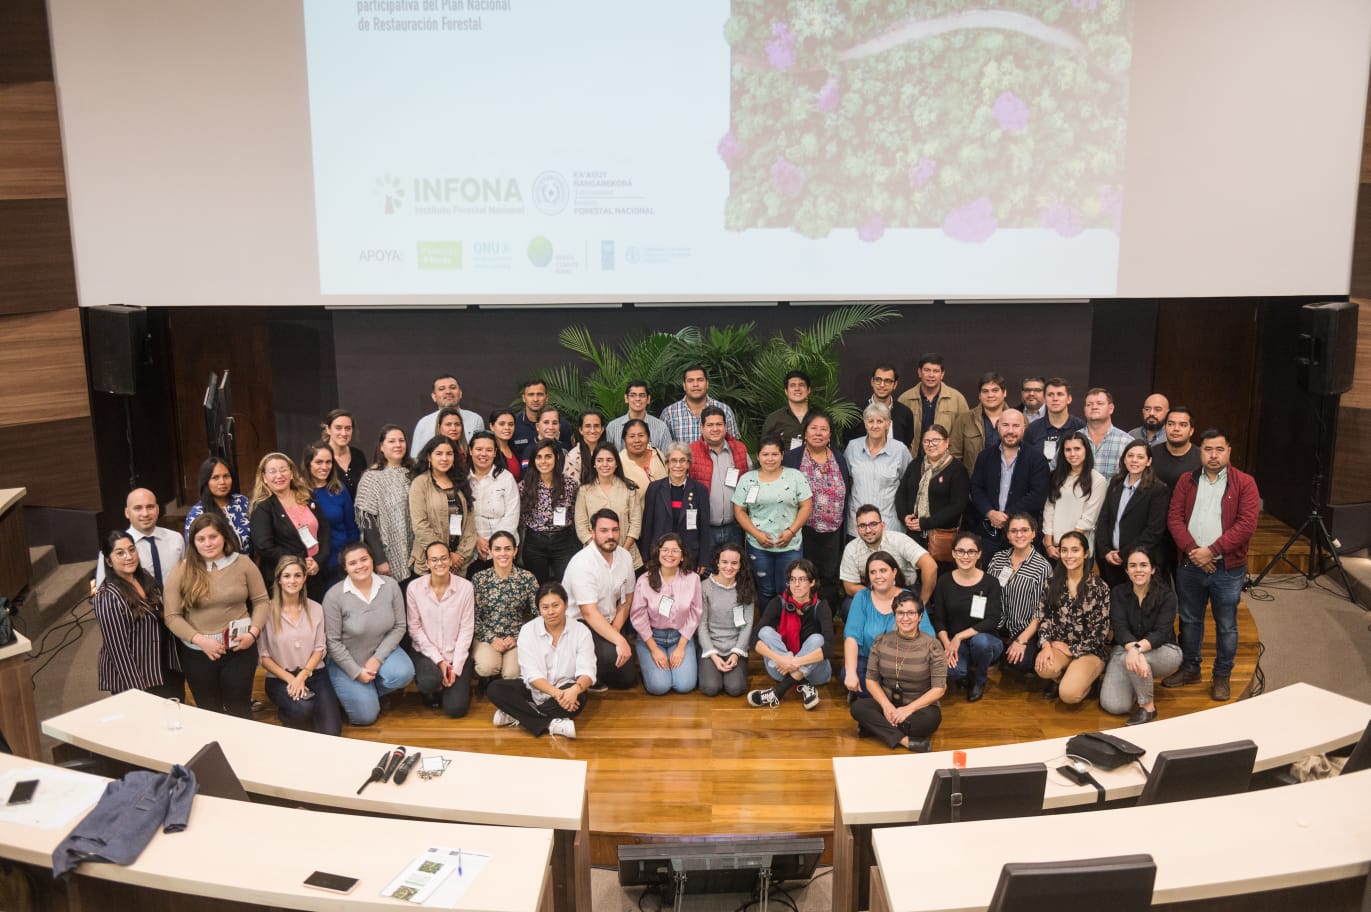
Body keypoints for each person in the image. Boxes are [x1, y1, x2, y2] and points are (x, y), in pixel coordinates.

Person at [1163, 429, 1260, 702]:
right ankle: (1191, 668)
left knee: (1226, 625)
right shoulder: (1187, 480)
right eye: (1208, 449)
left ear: (1229, 451)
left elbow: (1246, 525)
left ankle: (1221, 676)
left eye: (1219, 449)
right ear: (1200, 451)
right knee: (1190, 620)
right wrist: (1195, 552)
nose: (1213, 455)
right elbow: (1174, 519)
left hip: (1227, 569)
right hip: (1190, 565)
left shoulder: (1245, 483)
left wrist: (1212, 551)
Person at [164, 513, 269, 718]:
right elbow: (172, 616)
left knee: (239, 709)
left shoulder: (244, 563)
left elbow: (262, 601)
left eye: (213, 537)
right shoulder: (181, 570)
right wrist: (201, 641)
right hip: (198, 652)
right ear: (193, 542)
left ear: (224, 536)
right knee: (209, 713)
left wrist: (253, 633)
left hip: (240, 648)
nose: (208, 543)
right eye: (201, 539)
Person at [323, 542, 416, 726]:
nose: (360, 566)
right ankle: (357, 693)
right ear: (345, 568)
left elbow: (399, 626)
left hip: (380, 650)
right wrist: (356, 673)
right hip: (347, 659)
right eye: (353, 563)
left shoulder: (390, 585)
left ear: (372, 560)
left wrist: (377, 659)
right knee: (365, 717)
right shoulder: (334, 596)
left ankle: (368, 691)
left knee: (404, 673)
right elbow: (332, 642)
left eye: (364, 559)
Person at [486, 582, 593, 739]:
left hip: (567, 689)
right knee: (495, 689)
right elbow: (532, 675)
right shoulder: (528, 630)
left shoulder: (581, 631)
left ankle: (517, 715)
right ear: (539, 609)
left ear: (566, 604)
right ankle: (551, 723)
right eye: (545, 607)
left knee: (580, 698)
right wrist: (556, 694)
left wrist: (575, 690)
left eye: (555, 605)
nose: (551, 612)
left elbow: (588, 671)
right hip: (537, 690)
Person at [256, 555, 342, 736]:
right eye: (287, 576)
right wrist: (291, 679)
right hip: (280, 678)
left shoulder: (316, 608)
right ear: (279, 579)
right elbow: (263, 656)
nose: (292, 580)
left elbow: (320, 648)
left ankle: (309, 706)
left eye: (297, 575)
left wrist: (302, 676)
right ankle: (291, 712)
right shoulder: (266, 611)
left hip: (314, 674)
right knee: (302, 709)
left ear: (304, 578)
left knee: (332, 732)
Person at [849, 591, 946, 752]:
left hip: (918, 707)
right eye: (900, 613)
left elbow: (939, 689)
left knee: (932, 719)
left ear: (920, 616)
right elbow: (871, 680)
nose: (905, 618)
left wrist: (908, 709)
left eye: (911, 613)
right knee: (858, 707)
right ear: (894, 615)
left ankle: (876, 728)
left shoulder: (933, 646)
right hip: (888, 702)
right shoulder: (881, 641)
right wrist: (887, 707)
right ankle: (905, 740)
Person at [92, 531, 184, 699]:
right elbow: (118, 651)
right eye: (120, 553)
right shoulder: (107, 597)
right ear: (108, 561)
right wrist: (138, 692)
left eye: (132, 549)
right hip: (139, 677)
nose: (129, 556)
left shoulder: (145, 577)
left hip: (163, 664)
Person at [1101, 547, 1183, 725]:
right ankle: (1135, 679)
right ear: (1126, 570)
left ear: (1153, 569)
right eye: (1133, 565)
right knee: (1114, 706)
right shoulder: (1118, 593)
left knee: (1128, 658)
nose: (1138, 570)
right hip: (1126, 650)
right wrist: (1135, 651)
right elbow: (1121, 629)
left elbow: (1161, 633)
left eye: (1144, 565)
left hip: (1164, 651)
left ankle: (1148, 707)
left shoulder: (1167, 595)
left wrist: (1136, 650)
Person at [781, 410, 852, 607]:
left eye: (824, 429)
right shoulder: (792, 458)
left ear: (830, 435)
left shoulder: (839, 457)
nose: (818, 433)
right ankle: (803, 616)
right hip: (803, 530)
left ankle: (826, 619)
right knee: (802, 575)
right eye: (813, 428)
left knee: (829, 577)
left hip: (833, 531)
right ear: (805, 433)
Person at [733, 435, 814, 606]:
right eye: (765, 454)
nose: (770, 459)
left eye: (774, 454)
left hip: (790, 544)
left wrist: (791, 532)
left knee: (789, 589)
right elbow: (739, 510)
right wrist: (757, 534)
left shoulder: (795, 477)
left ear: (782, 455)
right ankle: (766, 628)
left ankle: (788, 629)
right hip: (759, 545)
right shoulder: (748, 479)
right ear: (758, 456)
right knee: (765, 590)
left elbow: (806, 505)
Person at [562, 508, 637, 689]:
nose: (610, 536)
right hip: (580, 625)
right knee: (612, 656)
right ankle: (580, 673)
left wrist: (616, 631)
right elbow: (589, 613)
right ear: (592, 533)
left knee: (628, 680)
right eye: (604, 531)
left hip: (609, 622)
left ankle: (593, 668)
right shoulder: (582, 563)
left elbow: (626, 599)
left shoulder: (625, 557)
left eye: (615, 530)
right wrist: (618, 640)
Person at [1034, 531, 1111, 704]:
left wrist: (1073, 650)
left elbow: (1100, 632)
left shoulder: (1099, 587)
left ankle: (1088, 680)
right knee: (1044, 667)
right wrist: (1046, 645)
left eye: (1075, 550)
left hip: (1089, 651)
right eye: (1064, 550)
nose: (1069, 556)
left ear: (1085, 553)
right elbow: (1044, 617)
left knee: (1068, 695)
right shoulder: (1052, 582)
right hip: (1060, 646)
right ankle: (1067, 675)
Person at [843, 551, 933, 699]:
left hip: (903, 662)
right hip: (869, 661)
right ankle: (889, 701)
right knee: (849, 673)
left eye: (883, 570)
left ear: (894, 572)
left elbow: (927, 636)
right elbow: (851, 637)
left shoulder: (909, 598)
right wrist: (851, 673)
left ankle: (874, 700)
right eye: (873, 572)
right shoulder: (862, 597)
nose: (878, 576)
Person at [747, 558, 834, 710]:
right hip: (780, 668)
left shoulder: (821, 606)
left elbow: (829, 648)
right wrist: (780, 659)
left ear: (812, 582)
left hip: (817, 673)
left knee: (817, 639)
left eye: (802, 579)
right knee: (765, 632)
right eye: (792, 579)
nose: (796, 584)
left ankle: (778, 691)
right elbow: (753, 638)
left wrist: (795, 663)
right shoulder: (778, 603)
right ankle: (805, 686)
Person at [929, 532, 1004, 702]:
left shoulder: (991, 582)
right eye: (961, 551)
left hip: (986, 639)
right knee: (953, 671)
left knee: (981, 643)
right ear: (954, 553)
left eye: (971, 552)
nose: (965, 556)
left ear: (978, 554)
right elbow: (938, 619)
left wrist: (959, 636)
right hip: (955, 642)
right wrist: (948, 644)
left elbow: (993, 619)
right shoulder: (944, 581)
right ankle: (963, 673)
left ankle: (979, 680)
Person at [405, 540, 476, 717]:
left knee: (456, 710)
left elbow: (467, 630)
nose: (440, 563)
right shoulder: (414, 588)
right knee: (430, 680)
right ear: (427, 563)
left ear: (451, 560)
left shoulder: (465, 587)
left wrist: (456, 667)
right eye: (434, 560)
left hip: (456, 653)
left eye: (444, 558)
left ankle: (451, 686)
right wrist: (439, 661)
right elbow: (414, 629)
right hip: (426, 653)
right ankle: (431, 688)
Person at [249, 452, 330, 601]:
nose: (279, 475)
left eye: (283, 469)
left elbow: (325, 530)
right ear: (264, 477)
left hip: (314, 574)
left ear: (291, 473)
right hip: (286, 580)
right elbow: (264, 546)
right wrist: (300, 561)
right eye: (272, 472)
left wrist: (318, 560)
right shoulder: (263, 508)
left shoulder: (306, 497)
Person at [968, 410, 1050, 557]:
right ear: (998, 426)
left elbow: (1038, 495)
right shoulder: (985, 456)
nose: (1010, 431)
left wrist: (1008, 516)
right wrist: (990, 512)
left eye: (1016, 426)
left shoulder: (1037, 459)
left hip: (1022, 535)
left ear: (1024, 428)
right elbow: (976, 488)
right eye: (1005, 425)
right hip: (989, 533)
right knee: (988, 575)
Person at [629, 534, 703, 695]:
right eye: (665, 550)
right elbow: (638, 616)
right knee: (659, 687)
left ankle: (675, 663)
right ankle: (652, 666)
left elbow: (695, 613)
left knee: (685, 686)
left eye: (675, 551)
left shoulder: (693, 579)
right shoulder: (644, 580)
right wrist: (654, 649)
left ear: (682, 556)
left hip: (680, 637)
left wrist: (682, 646)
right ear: (658, 552)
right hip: (652, 638)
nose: (670, 554)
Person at [1094, 438, 1170, 588]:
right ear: (1124, 459)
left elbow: (1154, 531)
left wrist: (1124, 554)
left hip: (1139, 563)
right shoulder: (1116, 482)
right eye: (1130, 456)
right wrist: (1106, 551)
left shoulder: (1158, 489)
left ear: (1148, 461)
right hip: (1110, 562)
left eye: (1140, 457)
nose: (1134, 460)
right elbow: (1103, 518)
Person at [985, 514, 1053, 674]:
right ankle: (1001, 652)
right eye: (1013, 531)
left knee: (1022, 663)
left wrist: (1022, 640)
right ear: (1008, 535)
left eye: (1024, 530)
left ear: (1034, 533)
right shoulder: (997, 559)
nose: (1019, 535)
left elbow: (1040, 611)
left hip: (1024, 629)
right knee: (979, 646)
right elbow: (986, 594)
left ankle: (1009, 652)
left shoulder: (1042, 567)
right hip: (996, 624)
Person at [839, 505, 937, 608]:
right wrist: (880, 597)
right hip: (871, 591)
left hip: (905, 588)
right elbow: (850, 587)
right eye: (862, 526)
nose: (868, 530)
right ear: (857, 528)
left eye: (873, 524)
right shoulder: (851, 549)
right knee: (849, 606)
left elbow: (930, 566)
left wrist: (922, 601)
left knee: (920, 613)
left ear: (882, 525)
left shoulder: (899, 540)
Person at [471, 531, 538, 682]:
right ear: (490, 551)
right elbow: (471, 616)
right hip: (486, 637)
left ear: (515, 551)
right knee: (487, 666)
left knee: (512, 673)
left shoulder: (527, 578)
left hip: (516, 637)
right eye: (497, 549)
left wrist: (517, 637)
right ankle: (489, 679)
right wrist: (491, 638)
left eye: (507, 549)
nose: (503, 553)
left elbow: (538, 614)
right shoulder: (479, 579)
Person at [408, 437, 478, 578]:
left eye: (449, 454)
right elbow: (420, 525)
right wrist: (445, 555)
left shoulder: (461, 481)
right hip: (430, 563)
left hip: (459, 564)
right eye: (439, 454)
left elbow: (470, 525)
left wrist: (459, 555)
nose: (444, 458)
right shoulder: (420, 483)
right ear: (429, 456)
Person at [895, 423, 969, 556]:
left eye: (936, 440)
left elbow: (958, 505)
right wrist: (904, 516)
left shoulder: (957, 469)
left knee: (938, 575)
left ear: (947, 442)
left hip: (940, 537)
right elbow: (901, 493)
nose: (931, 444)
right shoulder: (915, 464)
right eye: (926, 441)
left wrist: (926, 523)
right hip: (913, 535)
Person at [353, 424, 414, 582]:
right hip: (388, 554)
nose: (398, 445)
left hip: (416, 552)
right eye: (391, 441)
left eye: (401, 440)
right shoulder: (371, 477)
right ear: (381, 446)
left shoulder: (415, 473)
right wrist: (380, 559)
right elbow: (367, 523)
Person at [696, 542, 756, 698]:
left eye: (734, 563)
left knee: (735, 688)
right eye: (724, 562)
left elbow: (747, 624)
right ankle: (709, 666)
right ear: (717, 562)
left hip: (735, 646)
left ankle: (735, 666)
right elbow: (701, 625)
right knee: (711, 688)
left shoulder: (745, 586)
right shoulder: (704, 587)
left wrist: (736, 653)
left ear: (740, 565)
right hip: (711, 646)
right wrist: (713, 655)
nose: (729, 567)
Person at [642, 443, 711, 573]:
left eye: (682, 461)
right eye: (673, 461)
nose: (678, 465)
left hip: (689, 555)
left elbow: (704, 528)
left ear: (689, 464)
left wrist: (703, 559)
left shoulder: (700, 490)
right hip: (660, 554)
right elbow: (647, 525)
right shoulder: (654, 488)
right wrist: (646, 556)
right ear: (667, 463)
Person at [843, 402, 911, 535]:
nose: (874, 426)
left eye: (880, 421)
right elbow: (844, 481)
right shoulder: (852, 447)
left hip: (889, 525)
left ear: (888, 424)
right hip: (858, 526)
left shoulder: (900, 450)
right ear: (865, 423)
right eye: (870, 421)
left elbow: (909, 485)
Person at [94, 488, 184, 587]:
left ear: (157, 509)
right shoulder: (112, 548)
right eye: (138, 508)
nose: (145, 514)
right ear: (127, 513)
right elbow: (102, 591)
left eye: (150, 507)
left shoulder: (176, 539)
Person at [689, 406, 750, 551]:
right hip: (705, 529)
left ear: (725, 426)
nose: (715, 429)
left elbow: (750, 482)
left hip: (735, 527)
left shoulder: (740, 449)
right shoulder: (690, 452)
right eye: (710, 425)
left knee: (734, 570)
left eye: (719, 424)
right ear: (702, 427)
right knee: (707, 571)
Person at [519, 440, 580, 583]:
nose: (543, 461)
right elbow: (522, 516)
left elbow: (574, 512)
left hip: (563, 541)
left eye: (548, 456)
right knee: (538, 586)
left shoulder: (570, 485)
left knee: (566, 584)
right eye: (539, 457)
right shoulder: (525, 486)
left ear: (557, 458)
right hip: (535, 543)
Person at [575, 442, 644, 569]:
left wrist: (622, 552)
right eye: (600, 460)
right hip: (594, 557)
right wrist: (598, 551)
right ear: (594, 464)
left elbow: (635, 524)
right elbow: (581, 526)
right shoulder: (585, 491)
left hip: (627, 556)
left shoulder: (629, 489)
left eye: (609, 460)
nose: (605, 464)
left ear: (616, 463)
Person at [1041, 432, 1107, 560]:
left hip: (1078, 549)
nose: (1072, 454)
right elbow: (1049, 510)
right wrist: (1049, 545)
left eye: (1077, 449)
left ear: (1086, 451)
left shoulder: (1097, 480)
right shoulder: (1056, 477)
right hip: (1053, 548)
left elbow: (1088, 519)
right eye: (1068, 450)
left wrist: (1067, 548)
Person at [303, 441, 359, 590]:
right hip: (311, 564)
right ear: (309, 464)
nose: (324, 467)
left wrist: (350, 559)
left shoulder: (339, 489)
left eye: (328, 462)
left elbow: (352, 528)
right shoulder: (299, 493)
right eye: (319, 462)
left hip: (338, 562)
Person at [467, 430, 520, 576]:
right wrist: (476, 540)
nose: (483, 454)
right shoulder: (462, 479)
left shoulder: (506, 478)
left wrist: (494, 545)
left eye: (489, 450)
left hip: (503, 551)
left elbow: (512, 515)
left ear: (495, 452)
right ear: (470, 451)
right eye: (478, 449)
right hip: (472, 549)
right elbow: (461, 516)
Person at [183, 457, 252, 556]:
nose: (222, 482)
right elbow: (194, 552)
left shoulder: (241, 501)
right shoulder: (197, 513)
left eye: (226, 476)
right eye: (215, 478)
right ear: (206, 482)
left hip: (250, 565)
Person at [661, 365, 741, 442]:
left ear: (707, 384)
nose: (695, 384)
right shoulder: (669, 413)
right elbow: (662, 449)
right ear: (684, 386)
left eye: (700, 380)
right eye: (690, 381)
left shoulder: (724, 410)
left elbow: (733, 445)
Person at [897, 353, 968, 439]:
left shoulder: (957, 399)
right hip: (912, 453)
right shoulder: (905, 399)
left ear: (942, 374)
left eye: (936, 371)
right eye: (927, 370)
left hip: (946, 452)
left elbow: (964, 433)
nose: (931, 375)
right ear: (919, 372)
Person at [949, 371, 1009, 473]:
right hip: (973, 484)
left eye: (995, 390)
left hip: (1008, 484)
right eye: (985, 391)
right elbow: (954, 456)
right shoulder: (964, 420)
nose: (990, 395)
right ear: (979, 395)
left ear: (1004, 393)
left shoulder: (1018, 419)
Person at [411, 373, 484, 455]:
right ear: (434, 396)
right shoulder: (424, 423)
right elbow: (415, 458)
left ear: (460, 393)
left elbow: (481, 453)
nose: (448, 392)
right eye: (441, 389)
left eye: (453, 388)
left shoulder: (475, 419)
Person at [1022, 377, 1086, 470]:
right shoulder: (1032, 429)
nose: (1055, 399)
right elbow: (1026, 462)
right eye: (1050, 395)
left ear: (1069, 399)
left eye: (1060, 394)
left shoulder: (1080, 427)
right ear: (1044, 399)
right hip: (1041, 482)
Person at [848, 363, 914, 448]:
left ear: (895, 385)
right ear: (872, 382)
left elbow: (906, 443)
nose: (882, 385)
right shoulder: (856, 413)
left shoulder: (905, 413)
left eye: (887, 381)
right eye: (878, 380)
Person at [606, 380, 673, 453]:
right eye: (633, 395)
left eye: (642, 395)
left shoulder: (661, 428)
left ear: (648, 399)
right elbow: (607, 456)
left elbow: (667, 458)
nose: (637, 399)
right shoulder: (612, 427)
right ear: (626, 398)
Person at [1082, 387, 1135, 478]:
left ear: (1111, 408)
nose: (1094, 407)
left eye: (1100, 403)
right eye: (1089, 404)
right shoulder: (1073, 440)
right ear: (1084, 410)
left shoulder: (1127, 442)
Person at [512, 378, 573, 454]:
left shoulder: (563, 426)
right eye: (531, 394)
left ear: (547, 397)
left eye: (540, 394)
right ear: (524, 398)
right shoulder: (513, 424)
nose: (535, 399)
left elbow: (570, 456)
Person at [1150, 406, 1202, 491]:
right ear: (1165, 427)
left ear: (1191, 431)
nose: (1176, 429)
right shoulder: (1151, 454)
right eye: (1171, 424)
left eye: (1182, 425)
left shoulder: (1202, 458)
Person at [761, 370, 814, 450]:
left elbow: (831, 447)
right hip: (785, 462)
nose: (797, 388)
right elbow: (764, 450)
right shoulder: (774, 419)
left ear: (808, 390)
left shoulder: (820, 416)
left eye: (801, 385)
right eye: (792, 385)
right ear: (786, 391)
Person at [322, 408, 367, 498]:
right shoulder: (319, 456)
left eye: (348, 428)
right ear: (328, 429)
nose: (344, 433)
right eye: (338, 428)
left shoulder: (358, 455)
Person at [619, 418, 669, 492]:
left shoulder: (658, 454)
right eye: (632, 436)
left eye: (641, 435)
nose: (637, 440)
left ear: (648, 438)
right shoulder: (619, 461)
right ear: (624, 439)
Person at [565, 409, 608, 485]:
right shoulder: (573, 456)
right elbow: (571, 488)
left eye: (596, 426)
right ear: (581, 430)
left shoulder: (609, 453)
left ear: (602, 429)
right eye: (588, 426)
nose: (592, 430)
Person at [520, 407, 570, 472]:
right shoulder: (530, 451)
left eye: (555, 423)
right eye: (546, 422)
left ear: (559, 426)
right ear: (537, 426)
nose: (551, 427)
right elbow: (527, 477)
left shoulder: (564, 448)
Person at [487, 407, 523, 480]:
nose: (507, 427)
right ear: (492, 426)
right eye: (502, 424)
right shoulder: (487, 452)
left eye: (511, 424)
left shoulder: (516, 449)